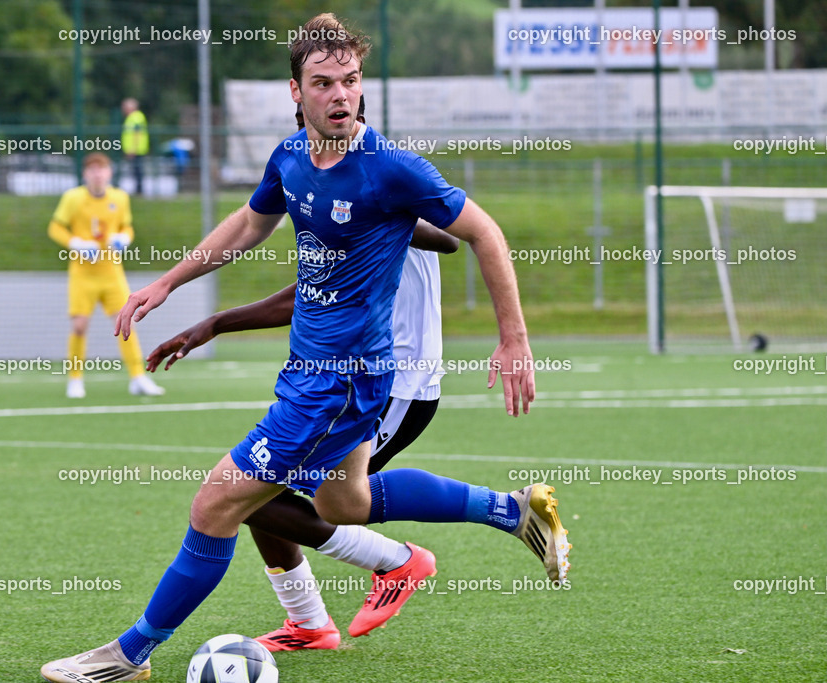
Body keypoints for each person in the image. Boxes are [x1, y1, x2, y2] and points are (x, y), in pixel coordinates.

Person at [41, 14, 569, 683]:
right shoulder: (291, 157)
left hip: (339, 383)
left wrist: (514, 339)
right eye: (324, 83)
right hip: (313, 373)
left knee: (216, 503)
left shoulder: (391, 170)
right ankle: (514, 509)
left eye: (349, 80)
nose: (341, 95)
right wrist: (170, 283)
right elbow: (250, 223)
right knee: (344, 505)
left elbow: (484, 232)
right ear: (296, 90)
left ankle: (127, 654)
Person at [142, 100, 461, 652]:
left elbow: (450, 236)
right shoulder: (319, 192)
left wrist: (382, 214)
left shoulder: (380, 183)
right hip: (341, 379)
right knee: (259, 493)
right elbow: (304, 293)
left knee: (278, 497)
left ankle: (406, 560)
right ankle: (310, 624)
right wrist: (213, 323)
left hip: (394, 381)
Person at [46, 152, 164, 399]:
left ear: (109, 173)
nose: (97, 175)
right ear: (85, 174)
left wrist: (124, 239)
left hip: (112, 273)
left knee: (125, 323)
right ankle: (75, 379)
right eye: (92, 170)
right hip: (82, 274)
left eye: (102, 170)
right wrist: (75, 242)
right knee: (79, 326)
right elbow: (55, 227)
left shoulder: (119, 198)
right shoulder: (73, 198)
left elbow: (126, 227)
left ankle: (137, 377)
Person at [121, 98, 149, 196]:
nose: (123, 109)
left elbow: (137, 133)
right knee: (135, 170)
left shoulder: (136, 117)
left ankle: (139, 191)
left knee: (138, 170)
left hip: (136, 150)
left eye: (125, 107)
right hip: (134, 149)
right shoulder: (132, 117)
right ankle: (138, 190)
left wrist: (132, 149)